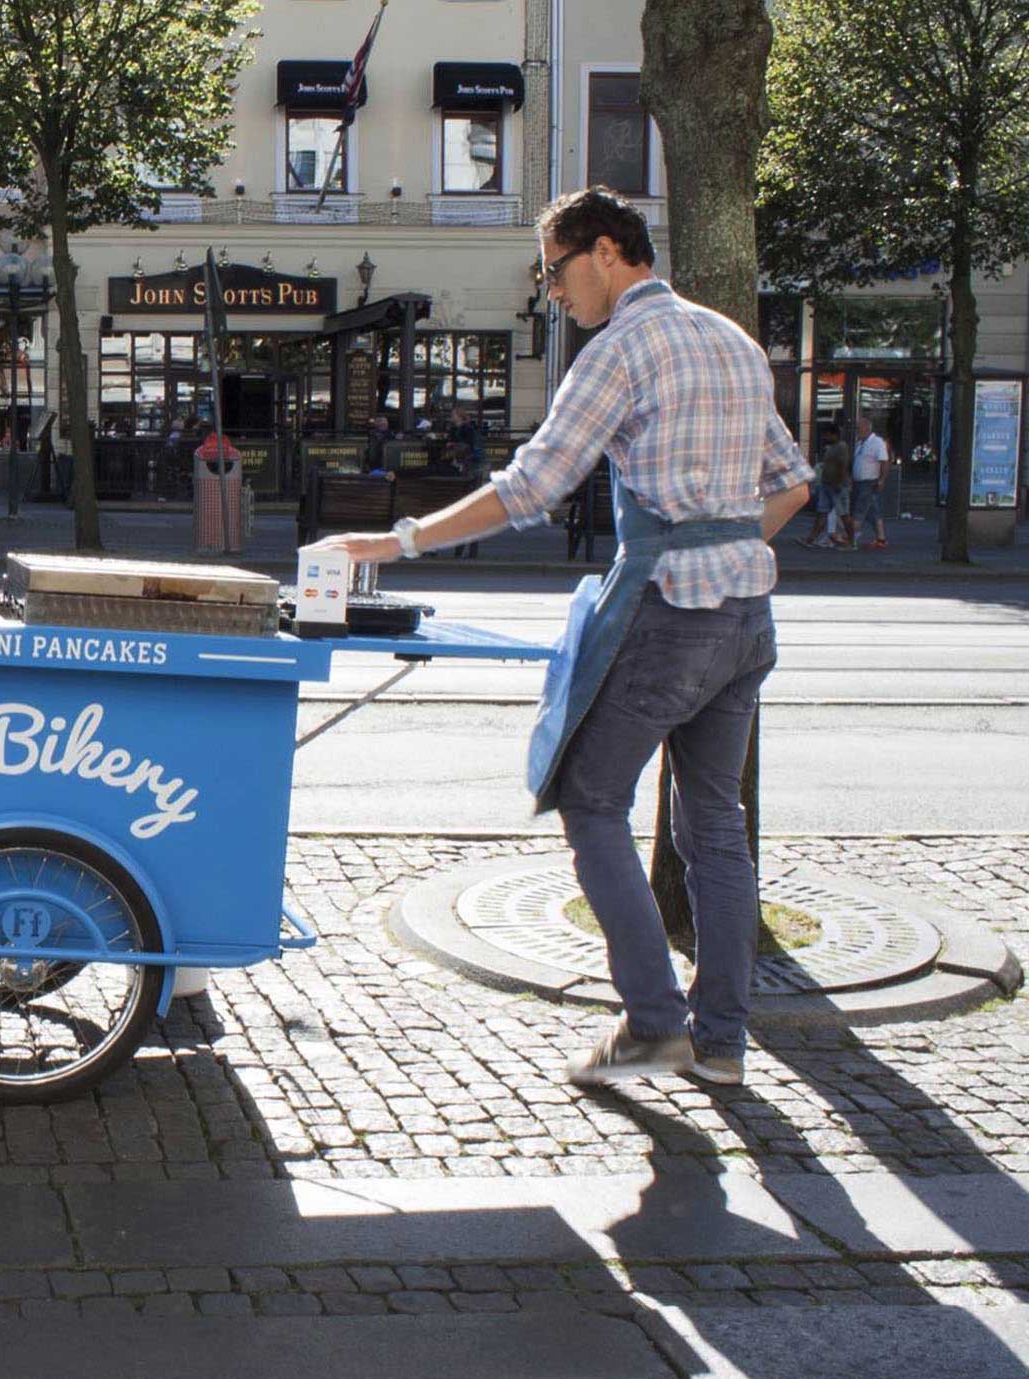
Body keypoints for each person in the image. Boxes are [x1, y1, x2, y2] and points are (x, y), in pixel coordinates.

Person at [320, 187, 814, 1090]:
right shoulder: (733, 341)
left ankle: (654, 1024)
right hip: (747, 617)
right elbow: (792, 482)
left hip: (670, 616)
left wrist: (395, 541)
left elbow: (530, 488)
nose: (553, 293)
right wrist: (727, 545)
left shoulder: (621, 347)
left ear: (605, 251)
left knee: (589, 800)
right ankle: (724, 1043)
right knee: (716, 823)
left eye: (554, 272)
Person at [799, 423, 851, 549]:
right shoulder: (831, 448)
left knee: (843, 514)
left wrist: (839, 482)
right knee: (821, 513)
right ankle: (811, 539)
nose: (824, 437)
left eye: (826, 435)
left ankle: (851, 541)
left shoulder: (841, 447)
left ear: (833, 434)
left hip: (836, 486)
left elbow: (843, 465)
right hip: (827, 485)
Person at [850, 414, 890, 550]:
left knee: (858, 511)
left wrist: (882, 480)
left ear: (867, 428)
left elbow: (884, 461)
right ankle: (881, 539)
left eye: (858, 428)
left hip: (869, 482)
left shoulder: (877, 442)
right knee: (873, 512)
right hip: (859, 482)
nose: (856, 431)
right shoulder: (860, 443)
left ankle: (851, 538)